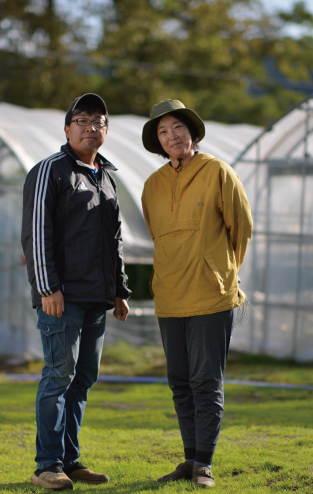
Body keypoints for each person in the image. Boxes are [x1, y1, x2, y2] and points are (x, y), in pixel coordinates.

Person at [140, 99, 253, 488]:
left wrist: (221, 272)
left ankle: (204, 464)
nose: (171, 136)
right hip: (169, 297)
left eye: (177, 128)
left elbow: (241, 228)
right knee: (180, 382)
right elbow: (157, 236)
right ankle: (189, 460)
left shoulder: (217, 171)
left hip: (210, 295)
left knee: (206, 381)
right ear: (158, 141)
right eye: (163, 131)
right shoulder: (152, 185)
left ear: (192, 131)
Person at [21, 93, 131, 490]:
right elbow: (36, 233)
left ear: (106, 131)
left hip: (97, 299)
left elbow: (114, 240)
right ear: (67, 128)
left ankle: (70, 461)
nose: (90, 127)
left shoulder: (106, 176)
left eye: (98, 121)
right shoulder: (50, 170)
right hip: (62, 298)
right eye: (82, 120)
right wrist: (48, 288)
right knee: (58, 376)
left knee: (83, 378)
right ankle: (47, 466)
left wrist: (120, 290)